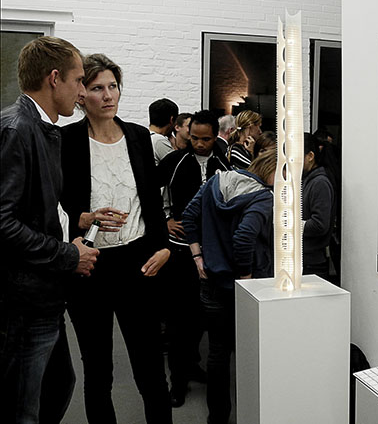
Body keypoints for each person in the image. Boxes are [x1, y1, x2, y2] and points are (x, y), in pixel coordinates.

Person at [60, 53, 172, 424]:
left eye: (113, 86)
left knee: (151, 369)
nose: (108, 95)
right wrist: (81, 218)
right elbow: (55, 204)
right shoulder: (66, 141)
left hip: (138, 262)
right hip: (90, 266)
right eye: (97, 88)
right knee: (98, 371)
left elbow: (151, 200)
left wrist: (163, 247)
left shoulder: (138, 136)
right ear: (81, 95)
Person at [0, 36, 99, 424]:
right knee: (23, 408)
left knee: (56, 387)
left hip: (40, 293)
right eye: (79, 80)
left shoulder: (39, 128)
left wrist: (76, 226)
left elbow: (35, 210)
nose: (82, 92)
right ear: (54, 78)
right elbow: (3, 222)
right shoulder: (18, 130)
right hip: (23, 300)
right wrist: (68, 255)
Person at [182, 149, 276, 424]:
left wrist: (197, 256)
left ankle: (218, 417)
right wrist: (246, 276)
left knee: (218, 352)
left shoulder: (216, 181)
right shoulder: (262, 197)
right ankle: (255, 414)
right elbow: (244, 237)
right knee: (251, 351)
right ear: (271, 170)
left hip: (211, 280)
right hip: (247, 286)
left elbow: (188, 216)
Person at [156, 110, 230, 407]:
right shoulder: (175, 161)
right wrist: (164, 221)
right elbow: (146, 191)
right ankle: (177, 380)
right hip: (180, 249)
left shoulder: (223, 165)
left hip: (211, 251)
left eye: (206, 139)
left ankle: (192, 365)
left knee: (202, 317)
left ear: (215, 136)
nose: (199, 144)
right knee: (178, 319)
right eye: (195, 138)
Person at [302, 132, 336, 281]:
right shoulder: (307, 180)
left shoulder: (319, 183)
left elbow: (319, 224)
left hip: (313, 264)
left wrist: (289, 224)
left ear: (310, 156)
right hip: (305, 259)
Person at [149, 98, 179, 165]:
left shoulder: (145, 137)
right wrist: (175, 147)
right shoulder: (159, 140)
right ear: (171, 119)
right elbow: (178, 166)